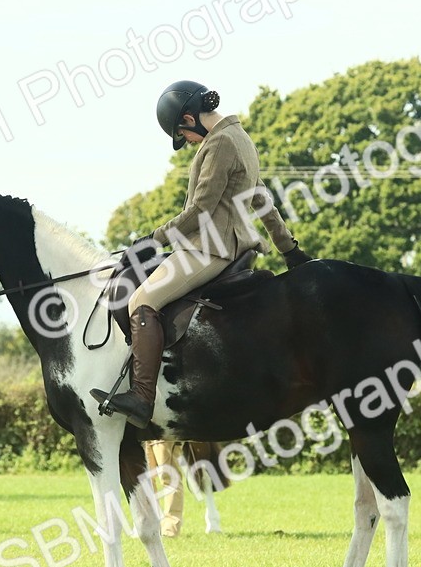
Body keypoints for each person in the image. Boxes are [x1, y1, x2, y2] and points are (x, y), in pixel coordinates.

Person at [91, 80, 313, 427]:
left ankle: (141, 398)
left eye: (183, 134)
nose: (188, 142)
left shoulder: (219, 143)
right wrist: (289, 249)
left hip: (210, 248)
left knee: (140, 301)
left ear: (190, 119)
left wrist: (154, 238)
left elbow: (201, 209)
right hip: (231, 245)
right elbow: (262, 199)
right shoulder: (241, 137)